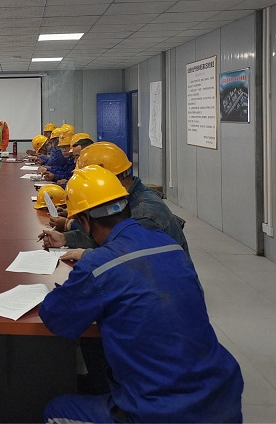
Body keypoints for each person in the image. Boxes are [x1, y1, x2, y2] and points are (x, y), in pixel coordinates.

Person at [40, 165, 243, 424]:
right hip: (223, 399)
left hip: (162, 414)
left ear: (85, 222)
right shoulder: (168, 245)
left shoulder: (98, 265)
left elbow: (56, 318)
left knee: (55, 410)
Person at [42, 141, 190, 261]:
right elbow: (109, 237)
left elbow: (127, 256)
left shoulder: (143, 215)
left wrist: (87, 254)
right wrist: (65, 238)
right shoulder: (127, 198)